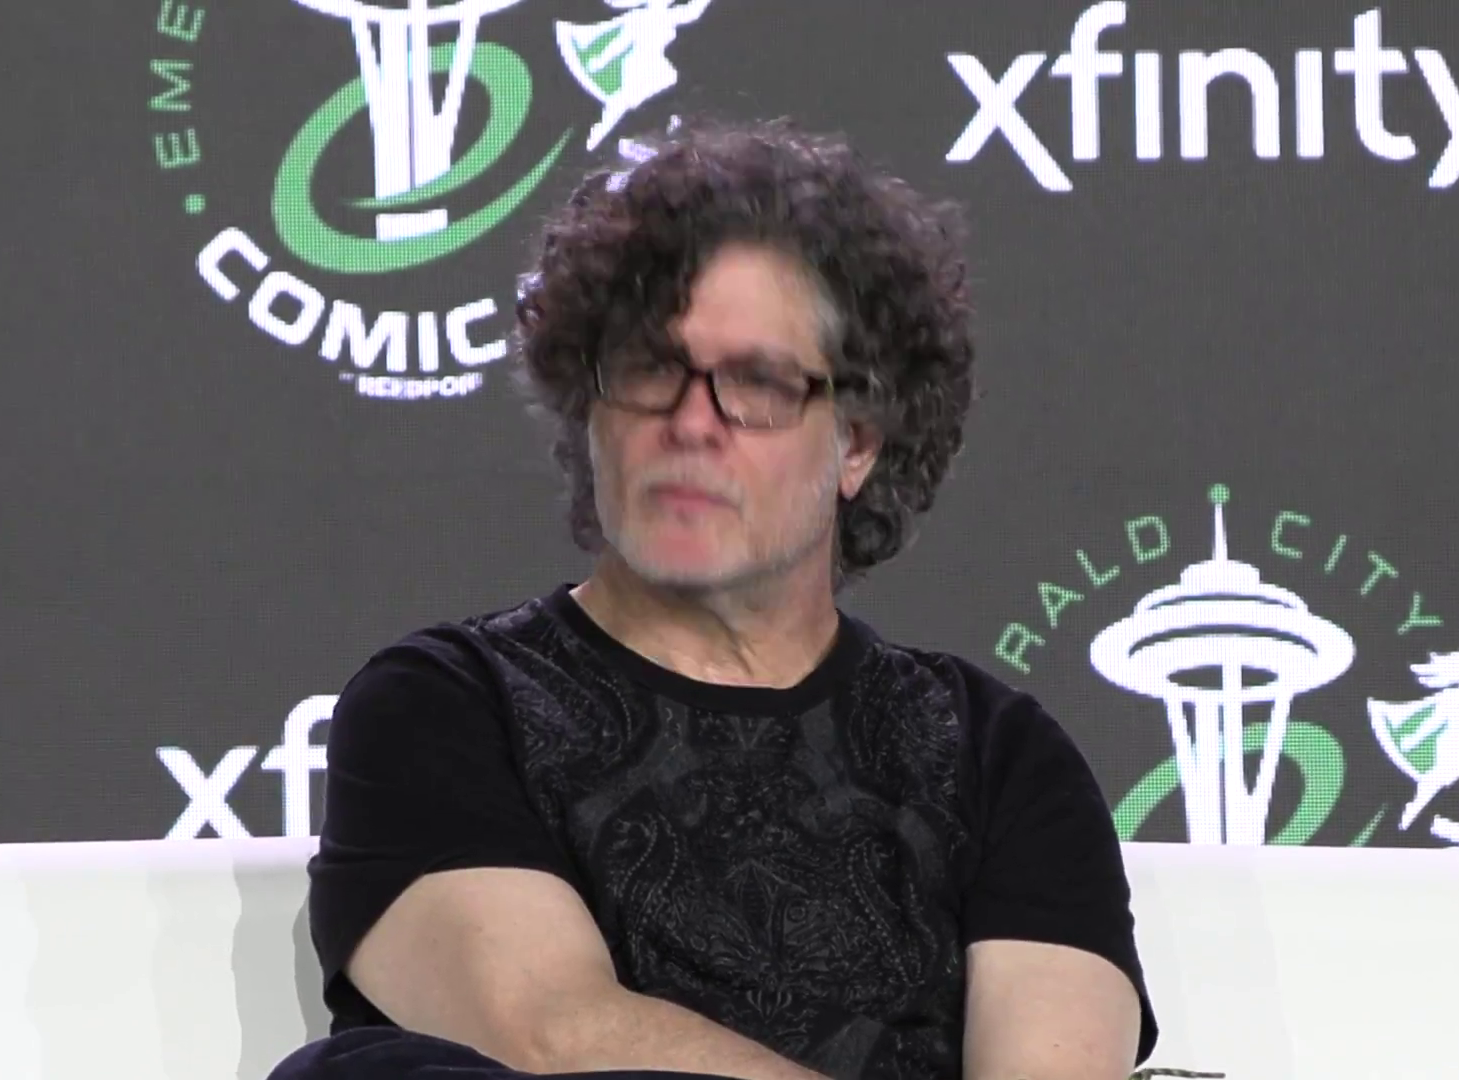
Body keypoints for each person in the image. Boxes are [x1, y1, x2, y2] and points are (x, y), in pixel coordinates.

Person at [272, 118, 1157, 1080]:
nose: (692, 424)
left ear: (857, 444)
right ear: (591, 409)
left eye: (758, 384)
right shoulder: (447, 706)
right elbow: (551, 1035)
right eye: (650, 370)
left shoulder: (993, 756)